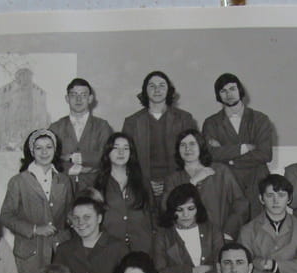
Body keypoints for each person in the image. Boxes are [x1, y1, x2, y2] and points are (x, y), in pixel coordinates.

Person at [1, 129, 73, 273]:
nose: (44, 152)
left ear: (55, 150)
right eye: (39, 148)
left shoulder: (64, 181)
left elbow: (69, 215)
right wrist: (34, 229)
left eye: (49, 147)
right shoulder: (18, 181)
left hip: (57, 252)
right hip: (29, 255)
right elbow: (6, 216)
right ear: (31, 151)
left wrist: (65, 236)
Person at [122, 71, 196, 209]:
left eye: (162, 85)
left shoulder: (184, 119)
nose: (157, 90)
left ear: (169, 90)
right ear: (145, 91)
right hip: (142, 187)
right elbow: (127, 160)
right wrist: (145, 183)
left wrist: (170, 182)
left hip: (178, 184)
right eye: (152, 86)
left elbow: (193, 156)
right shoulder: (132, 122)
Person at [202, 73, 274, 214]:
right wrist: (244, 148)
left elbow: (265, 154)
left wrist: (229, 159)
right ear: (218, 95)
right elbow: (210, 154)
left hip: (257, 183)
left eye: (232, 89)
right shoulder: (211, 123)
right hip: (228, 184)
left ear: (240, 90)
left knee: (259, 224)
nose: (229, 94)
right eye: (223, 91)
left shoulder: (260, 119)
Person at [163, 128, 249, 240]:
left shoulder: (220, 171)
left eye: (192, 144)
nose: (187, 148)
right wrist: (192, 182)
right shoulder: (172, 179)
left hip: (220, 238)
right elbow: (166, 209)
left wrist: (228, 232)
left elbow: (241, 204)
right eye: (183, 145)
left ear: (201, 146)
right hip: (186, 239)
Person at [92, 132, 154, 254]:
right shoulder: (97, 183)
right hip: (109, 249)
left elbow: (152, 213)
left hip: (142, 247)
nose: (121, 152)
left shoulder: (142, 181)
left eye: (126, 148)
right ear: (108, 152)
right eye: (116, 148)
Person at [49, 77, 113, 191]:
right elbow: (50, 158)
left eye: (83, 95)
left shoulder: (102, 126)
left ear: (90, 98)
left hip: (95, 188)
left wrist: (74, 157)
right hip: (62, 188)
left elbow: (107, 156)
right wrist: (75, 169)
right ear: (67, 98)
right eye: (73, 95)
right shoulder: (55, 127)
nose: (78, 99)